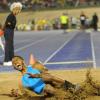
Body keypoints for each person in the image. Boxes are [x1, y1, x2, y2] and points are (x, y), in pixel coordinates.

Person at [12, 54, 76, 95]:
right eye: (14, 63)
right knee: (48, 87)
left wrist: (38, 75)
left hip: (51, 83)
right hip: (44, 92)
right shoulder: (22, 82)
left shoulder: (34, 66)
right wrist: (19, 93)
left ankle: (72, 87)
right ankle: (66, 97)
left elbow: (47, 73)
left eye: (17, 60)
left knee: (48, 78)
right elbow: (28, 94)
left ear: (22, 61)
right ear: (14, 68)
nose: (16, 62)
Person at [3, 2, 22, 66]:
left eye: (19, 9)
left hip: (10, 31)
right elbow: (8, 24)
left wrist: (12, 27)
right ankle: (6, 60)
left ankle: (11, 59)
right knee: (8, 46)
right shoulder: (10, 16)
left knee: (11, 46)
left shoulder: (13, 16)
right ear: (13, 9)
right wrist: (12, 26)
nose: (18, 11)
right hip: (8, 31)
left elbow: (11, 25)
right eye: (17, 9)